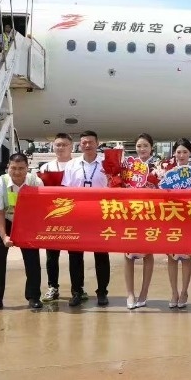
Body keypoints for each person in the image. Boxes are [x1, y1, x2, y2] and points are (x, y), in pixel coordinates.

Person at [0, 153, 44, 312]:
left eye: (21, 168)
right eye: (13, 168)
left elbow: (40, 209)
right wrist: (4, 236)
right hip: (5, 220)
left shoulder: (36, 182)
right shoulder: (0, 183)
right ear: (8, 167)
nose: (17, 172)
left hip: (27, 222)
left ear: (27, 168)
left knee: (32, 260)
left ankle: (34, 297)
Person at [62, 130, 110, 307]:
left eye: (90, 142)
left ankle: (102, 292)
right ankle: (77, 291)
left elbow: (114, 187)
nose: (87, 145)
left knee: (101, 255)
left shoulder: (107, 164)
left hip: (100, 215)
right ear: (79, 145)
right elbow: (65, 190)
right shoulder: (72, 165)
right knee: (75, 255)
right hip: (77, 216)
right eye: (84, 142)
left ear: (97, 143)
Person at [157, 138, 191, 309]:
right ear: (174, 153)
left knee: (186, 257)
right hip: (171, 216)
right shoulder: (166, 171)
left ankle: (184, 291)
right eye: (178, 152)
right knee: (171, 257)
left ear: (190, 153)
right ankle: (174, 292)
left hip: (189, 217)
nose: (181, 155)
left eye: (185, 152)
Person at [123, 133, 158, 310]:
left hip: (150, 213)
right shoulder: (128, 166)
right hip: (130, 213)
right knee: (127, 254)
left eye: (145, 145)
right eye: (138, 146)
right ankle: (130, 293)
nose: (142, 149)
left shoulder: (158, 166)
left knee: (148, 253)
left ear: (151, 147)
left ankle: (144, 292)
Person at [37, 133, 73, 302]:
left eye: (64, 145)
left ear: (71, 147)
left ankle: (77, 289)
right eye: (58, 144)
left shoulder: (77, 165)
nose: (61, 148)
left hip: (74, 215)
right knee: (52, 255)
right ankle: (53, 286)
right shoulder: (46, 167)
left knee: (75, 254)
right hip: (52, 215)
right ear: (53, 147)